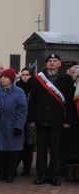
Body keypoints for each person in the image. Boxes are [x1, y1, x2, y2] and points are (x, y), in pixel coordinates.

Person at [28, 53, 75, 185]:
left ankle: (53, 175)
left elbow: (70, 103)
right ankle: (41, 175)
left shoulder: (66, 79)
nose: (52, 63)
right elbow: (33, 100)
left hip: (58, 119)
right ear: (46, 64)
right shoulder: (38, 79)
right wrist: (31, 118)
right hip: (41, 119)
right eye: (50, 61)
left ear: (59, 64)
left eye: (55, 61)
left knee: (55, 149)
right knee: (41, 150)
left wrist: (68, 120)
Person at [0, 68, 27, 183]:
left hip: (12, 126)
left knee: (12, 152)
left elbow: (22, 110)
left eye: (6, 77)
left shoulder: (19, 92)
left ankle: (10, 173)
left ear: (11, 79)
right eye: (2, 77)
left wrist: (19, 126)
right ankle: (2, 173)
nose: (3, 79)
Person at [16, 67, 35, 175]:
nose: (25, 77)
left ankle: (27, 167)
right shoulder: (18, 86)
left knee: (29, 145)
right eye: (23, 75)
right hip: (20, 119)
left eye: (27, 75)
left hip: (30, 119)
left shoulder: (34, 86)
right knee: (20, 144)